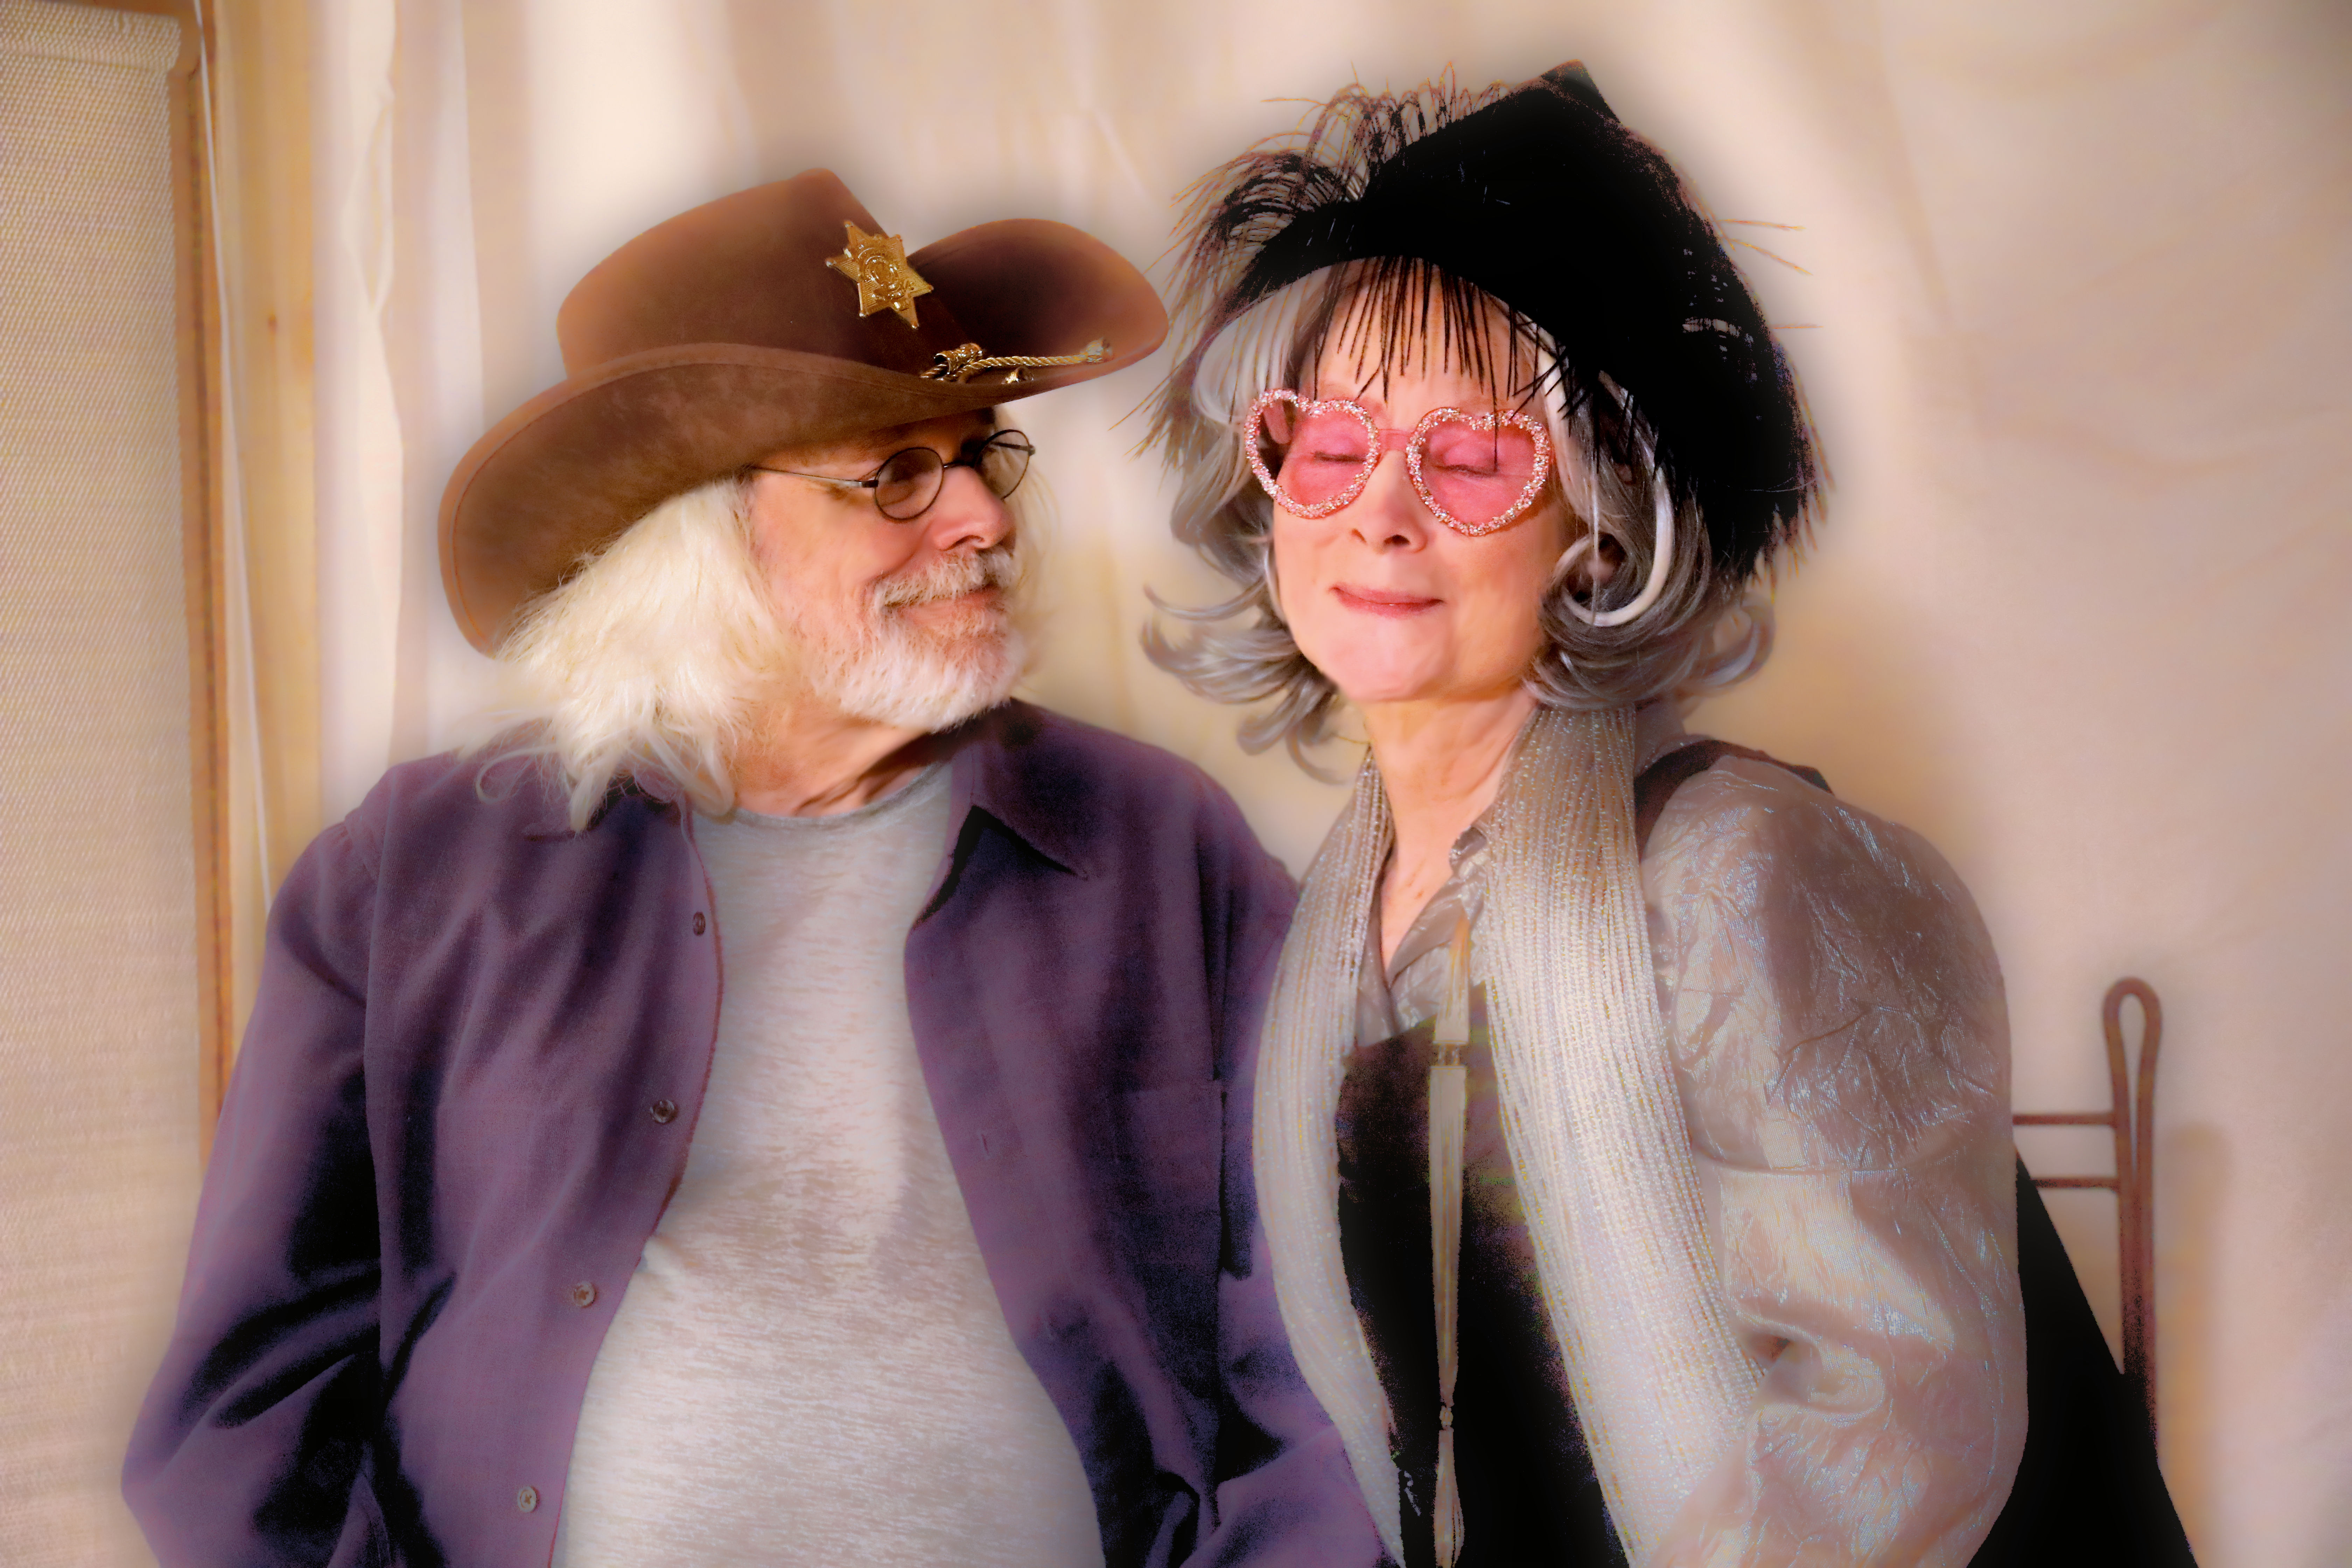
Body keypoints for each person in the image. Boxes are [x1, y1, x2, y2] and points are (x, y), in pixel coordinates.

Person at [124, 171, 1381, 1567]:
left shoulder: (1161, 847)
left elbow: (1323, 1348)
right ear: (703, 539)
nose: (983, 518)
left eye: (981, 453)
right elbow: (244, 1418)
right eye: (895, 474)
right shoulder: (415, 877)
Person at [1148, 64, 2194, 1567]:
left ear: (1600, 525)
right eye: (1330, 443)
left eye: (1473, 456)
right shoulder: (1341, 915)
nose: (1380, 511)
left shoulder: (1739, 876)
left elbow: (1886, 1457)